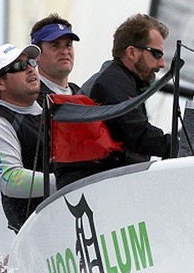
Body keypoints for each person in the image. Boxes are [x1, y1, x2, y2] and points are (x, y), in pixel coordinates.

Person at [0, 43, 54, 232]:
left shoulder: (54, 105)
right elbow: (10, 179)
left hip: (70, 214)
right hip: (38, 231)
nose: (29, 69)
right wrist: (65, 181)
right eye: (19, 66)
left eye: (30, 62)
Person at [84, 14, 172, 168]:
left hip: (112, 178)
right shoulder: (110, 83)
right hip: (93, 182)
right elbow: (137, 134)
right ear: (132, 53)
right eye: (157, 54)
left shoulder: (124, 81)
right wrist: (184, 148)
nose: (163, 63)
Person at [30, 14, 81, 95]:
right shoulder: (29, 98)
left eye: (68, 45)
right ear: (37, 55)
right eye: (55, 46)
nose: (64, 51)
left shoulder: (84, 95)